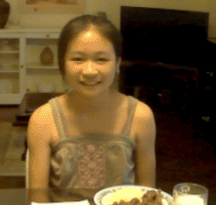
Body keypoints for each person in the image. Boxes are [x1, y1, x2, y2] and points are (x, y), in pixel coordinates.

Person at [27, 14, 156, 189]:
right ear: (62, 64)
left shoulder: (140, 116)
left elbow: (147, 191)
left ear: (117, 64)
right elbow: (38, 198)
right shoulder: (43, 119)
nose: (89, 71)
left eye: (101, 59)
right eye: (78, 59)